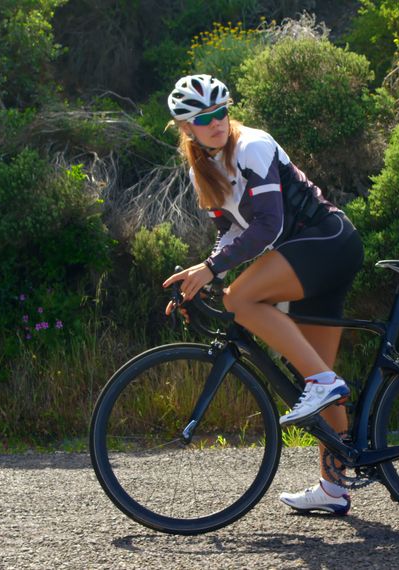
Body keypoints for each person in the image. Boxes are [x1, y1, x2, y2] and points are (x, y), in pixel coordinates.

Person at [162, 74, 364, 516]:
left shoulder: (252, 145)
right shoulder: (206, 168)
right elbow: (230, 231)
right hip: (311, 255)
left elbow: (268, 225)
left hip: (325, 242)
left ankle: (323, 382)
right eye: (203, 118)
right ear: (186, 127)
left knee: (241, 299)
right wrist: (198, 280)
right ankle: (334, 488)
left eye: (221, 112)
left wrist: (214, 272)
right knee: (320, 377)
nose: (216, 123)